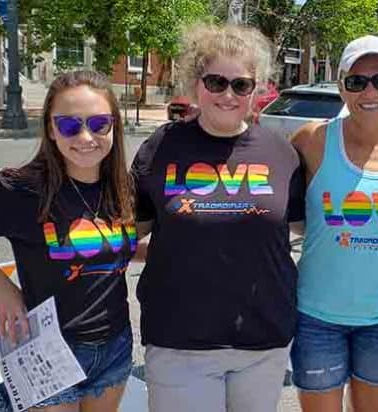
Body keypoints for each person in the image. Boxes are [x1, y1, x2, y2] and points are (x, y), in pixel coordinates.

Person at [0, 70, 137, 412]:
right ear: (52, 129)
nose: (86, 136)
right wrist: (2, 288)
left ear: (114, 126)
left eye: (99, 123)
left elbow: (103, 246)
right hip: (50, 348)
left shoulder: (121, 186)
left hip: (114, 345)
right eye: (69, 125)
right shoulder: (23, 190)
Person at [131, 24, 305, 412]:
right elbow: (125, 234)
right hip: (179, 341)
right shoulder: (162, 147)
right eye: (216, 82)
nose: (228, 95)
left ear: (257, 90)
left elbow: (305, 230)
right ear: (196, 83)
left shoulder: (281, 152)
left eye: (241, 85)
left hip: (263, 341)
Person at [290, 35, 378, 412]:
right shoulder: (312, 140)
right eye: (357, 81)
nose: (370, 91)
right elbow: (281, 206)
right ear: (341, 85)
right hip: (317, 316)